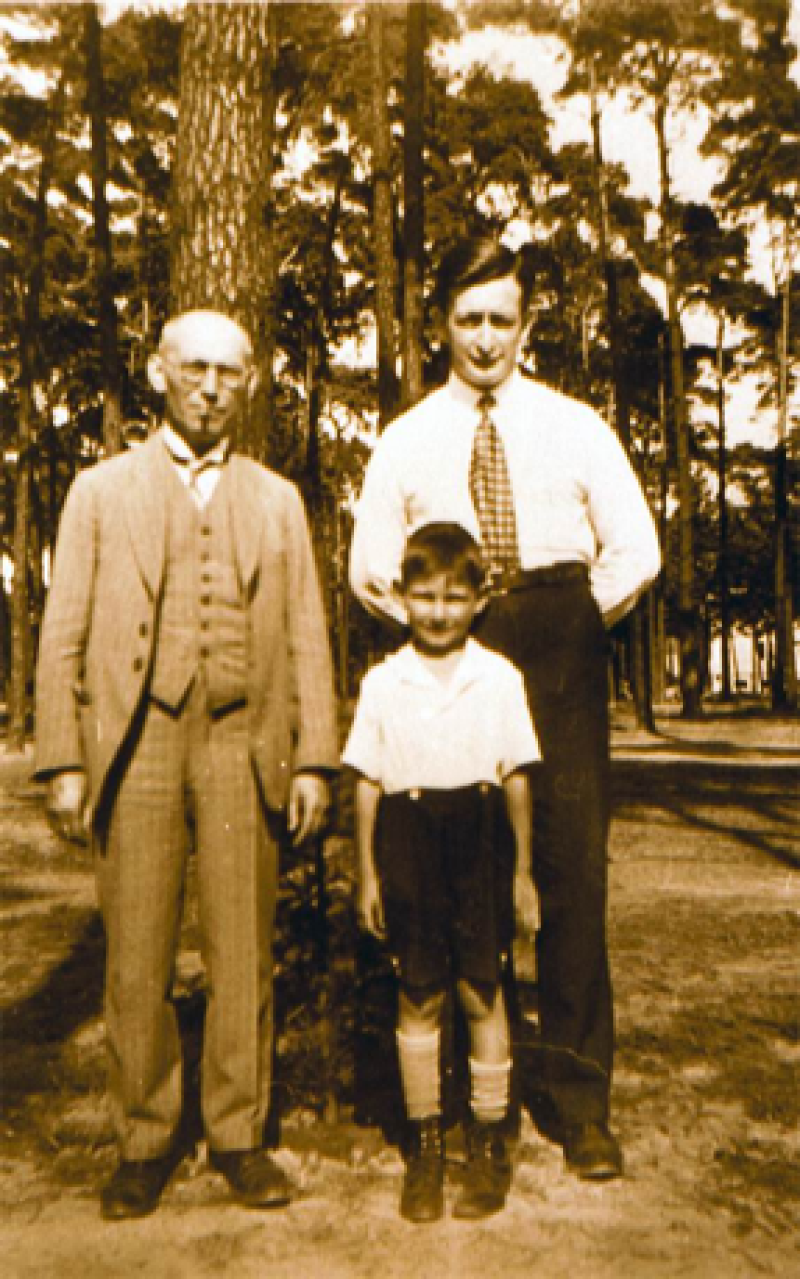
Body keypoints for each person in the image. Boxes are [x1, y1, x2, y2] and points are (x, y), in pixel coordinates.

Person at [349, 236, 661, 1181]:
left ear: (527, 325)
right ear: (439, 324)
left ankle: (579, 1099)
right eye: (466, 318)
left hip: (560, 639)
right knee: (455, 872)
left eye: (501, 319)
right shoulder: (406, 438)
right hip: (451, 650)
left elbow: (636, 549)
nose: (484, 338)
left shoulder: (577, 426)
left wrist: (565, 620)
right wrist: (449, 632)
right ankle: (457, 1102)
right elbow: (368, 564)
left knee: (569, 871)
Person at [34, 310, 338, 1220]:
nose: (210, 387)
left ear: (250, 384)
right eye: (194, 369)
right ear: (158, 372)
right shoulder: (99, 490)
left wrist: (315, 756)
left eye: (229, 373)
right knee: (137, 955)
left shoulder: (278, 499)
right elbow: (65, 633)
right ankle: (143, 1138)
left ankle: (240, 1134)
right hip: (140, 742)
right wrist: (63, 760)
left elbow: (310, 637)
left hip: (245, 742)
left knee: (243, 949)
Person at [343, 522, 541, 1223]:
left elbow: (517, 777)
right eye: (424, 596)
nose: (438, 611)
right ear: (401, 597)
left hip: (481, 836)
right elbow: (367, 782)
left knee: (482, 989)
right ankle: (426, 1145)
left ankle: (487, 1142)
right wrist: (367, 871)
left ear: (479, 600)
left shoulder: (499, 677)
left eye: (455, 597)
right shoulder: (383, 681)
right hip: (409, 838)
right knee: (420, 990)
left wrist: (521, 873)